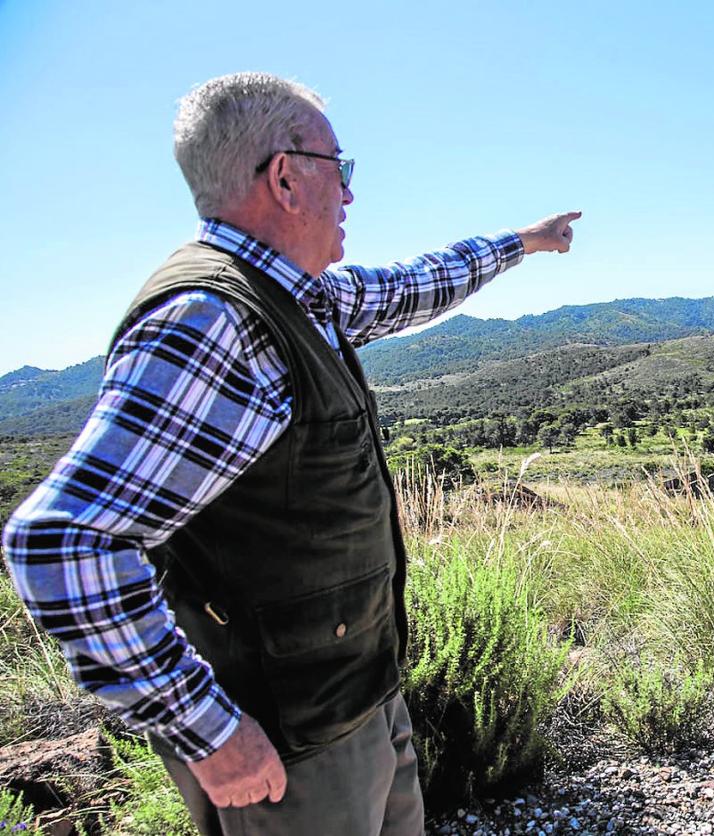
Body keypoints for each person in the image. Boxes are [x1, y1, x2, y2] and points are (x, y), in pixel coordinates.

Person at [1, 71, 579, 835]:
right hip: (286, 749)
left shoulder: (300, 297)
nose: (349, 196)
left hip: (354, 702)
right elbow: (61, 541)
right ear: (285, 177)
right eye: (341, 171)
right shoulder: (212, 321)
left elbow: (413, 285)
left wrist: (522, 243)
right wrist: (206, 732)